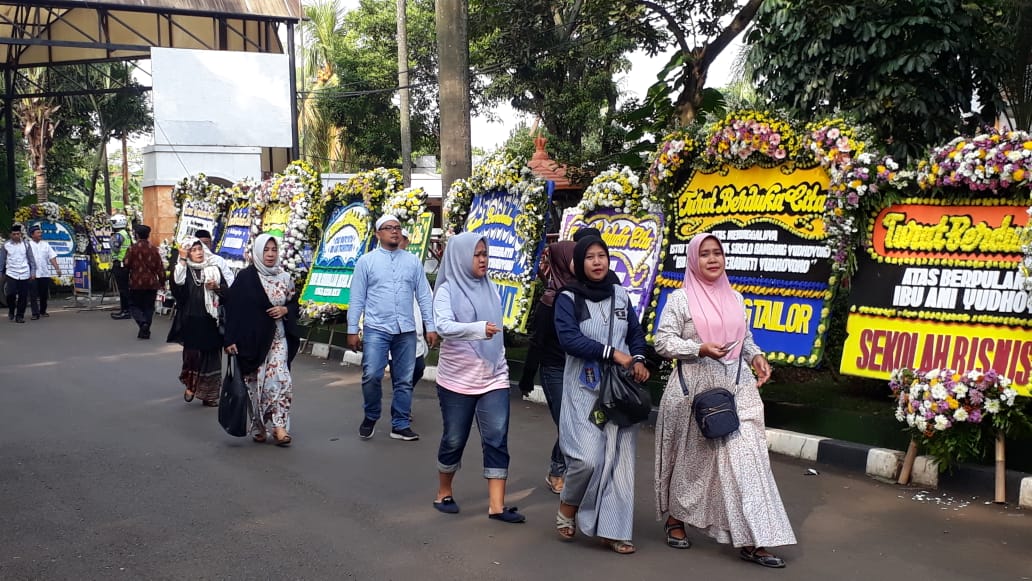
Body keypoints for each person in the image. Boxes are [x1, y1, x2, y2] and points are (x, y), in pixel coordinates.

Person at [653, 232, 794, 568]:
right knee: (692, 464)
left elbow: (744, 339)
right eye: (704, 254)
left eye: (717, 253)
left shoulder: (736, 298)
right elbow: (662, 342)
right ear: (693, 260)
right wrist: (698, 348)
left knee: (749, 461)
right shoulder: (681, 300)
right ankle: (676, 517)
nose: (713, 259)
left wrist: (755, 356)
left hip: (738, 388)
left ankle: (755, 539)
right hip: (695, 392)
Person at [553, 235, 649, 554]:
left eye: (602, 256)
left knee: (620, 463)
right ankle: (568, 505)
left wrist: (638, 359)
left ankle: (614, 530)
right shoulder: (568, 298)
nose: (597, 262)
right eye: (590, 257)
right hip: (585, 389)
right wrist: (612, 353)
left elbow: (634, 332)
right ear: (579, 263)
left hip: (620, 390)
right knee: (587, 458)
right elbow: (569, 339)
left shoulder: (620, 294)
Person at [431, 232, 524, 523]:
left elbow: (497, 330)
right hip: (456, 381)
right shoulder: (446, 291)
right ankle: (443, 492)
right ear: (460, 257)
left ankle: (497, 506)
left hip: (493, 377)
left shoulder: (490, 287)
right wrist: (477, 329)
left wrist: (499, 360)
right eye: (477, 254)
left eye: (485, 254)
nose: (483, 260)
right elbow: (443, 326)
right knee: (454, 439)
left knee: (496, 438)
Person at [347, 215, 437, 441]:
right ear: (378, 234)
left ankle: (400, 424)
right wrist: (352, 329)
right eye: (388, 228)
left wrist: (430, 326)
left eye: (397, 227)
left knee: (404, 381)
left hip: (406, 330)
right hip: (376, 328)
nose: (394, 231)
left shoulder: (412, 262)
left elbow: (424, 296)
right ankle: (371, 415)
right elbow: (357, 298)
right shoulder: (366, 262)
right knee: (371, 375)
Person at [225, 234, 301, 446]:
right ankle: (258, 426)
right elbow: (232, 309)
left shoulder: (285, 278)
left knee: (281, 380)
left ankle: (279, 426)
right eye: (266, 250)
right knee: (255, 384)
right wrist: (229, 339)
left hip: (277, 338)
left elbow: (295, 304)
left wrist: (285, 309)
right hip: (250, 341)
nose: (270, 254)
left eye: (274, 250)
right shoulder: (245, 278)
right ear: (257, 252)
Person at [520, 240, 576, 495]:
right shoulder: (550, 300)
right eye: (573, 258)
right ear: (561, 262)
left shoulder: (585, 294)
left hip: (580, 370)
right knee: (567, 424)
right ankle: (557, 471)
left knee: (579, 423)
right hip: (555, 370)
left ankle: (571, 470)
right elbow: (537, 341)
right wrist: (527, 377)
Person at [167, 236, 227, 407]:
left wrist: (216, 287)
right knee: (192, 357)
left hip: (211, 321)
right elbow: (177, 287)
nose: (198, 252)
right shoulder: (183, 270)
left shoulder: (214, 269)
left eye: (200, 249)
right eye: (193, 250)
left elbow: (227, 293)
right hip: (191, 321)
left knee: (212, 358)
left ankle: (209, 395)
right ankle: (191, 384)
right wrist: (182, 260)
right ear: (188, 253)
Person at [124, 224, 167, 339]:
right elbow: (160, 267)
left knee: (134, 305)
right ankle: (145, 330)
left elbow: (126, 263)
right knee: (149, 307)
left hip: (136, 283)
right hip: (151, 283)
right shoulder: (154, 249)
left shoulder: (132, 248)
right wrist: (162, 282)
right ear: (148, 235)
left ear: (137, 235)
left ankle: (142, 322)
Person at [1, 223, 36, 323]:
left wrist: (33, 271)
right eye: (14, 234)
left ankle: (20, 316)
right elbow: (2, 260)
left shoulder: (26, 244)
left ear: (20, 234)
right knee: (10, 294)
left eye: (18, 234)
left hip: (24, 273)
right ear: (11, 235)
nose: (16, 236)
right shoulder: (6, 245)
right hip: (11, 273)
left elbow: (31, 259)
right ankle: (11, 310)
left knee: (23, 296)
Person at [26, 224, 60, 320]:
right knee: (33, 295)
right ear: (32, 235)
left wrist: (57, 268)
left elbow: (52, 257)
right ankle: (35, 313)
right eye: (38, 232)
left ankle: (43, 311)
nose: (40, 234)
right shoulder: (27, 245)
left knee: (43, 294)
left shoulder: (46, 245)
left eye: (40, 232)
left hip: (44, 273)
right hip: (32, 274)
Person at [109, 213, 133, 319]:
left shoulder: (118, 235)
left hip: (120, 263)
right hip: (125, 263)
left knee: (123, 289)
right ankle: (126, 310)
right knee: (125, 288)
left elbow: (115, 248)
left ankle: (125, 311)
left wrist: (111, 239)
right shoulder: (126, 233)